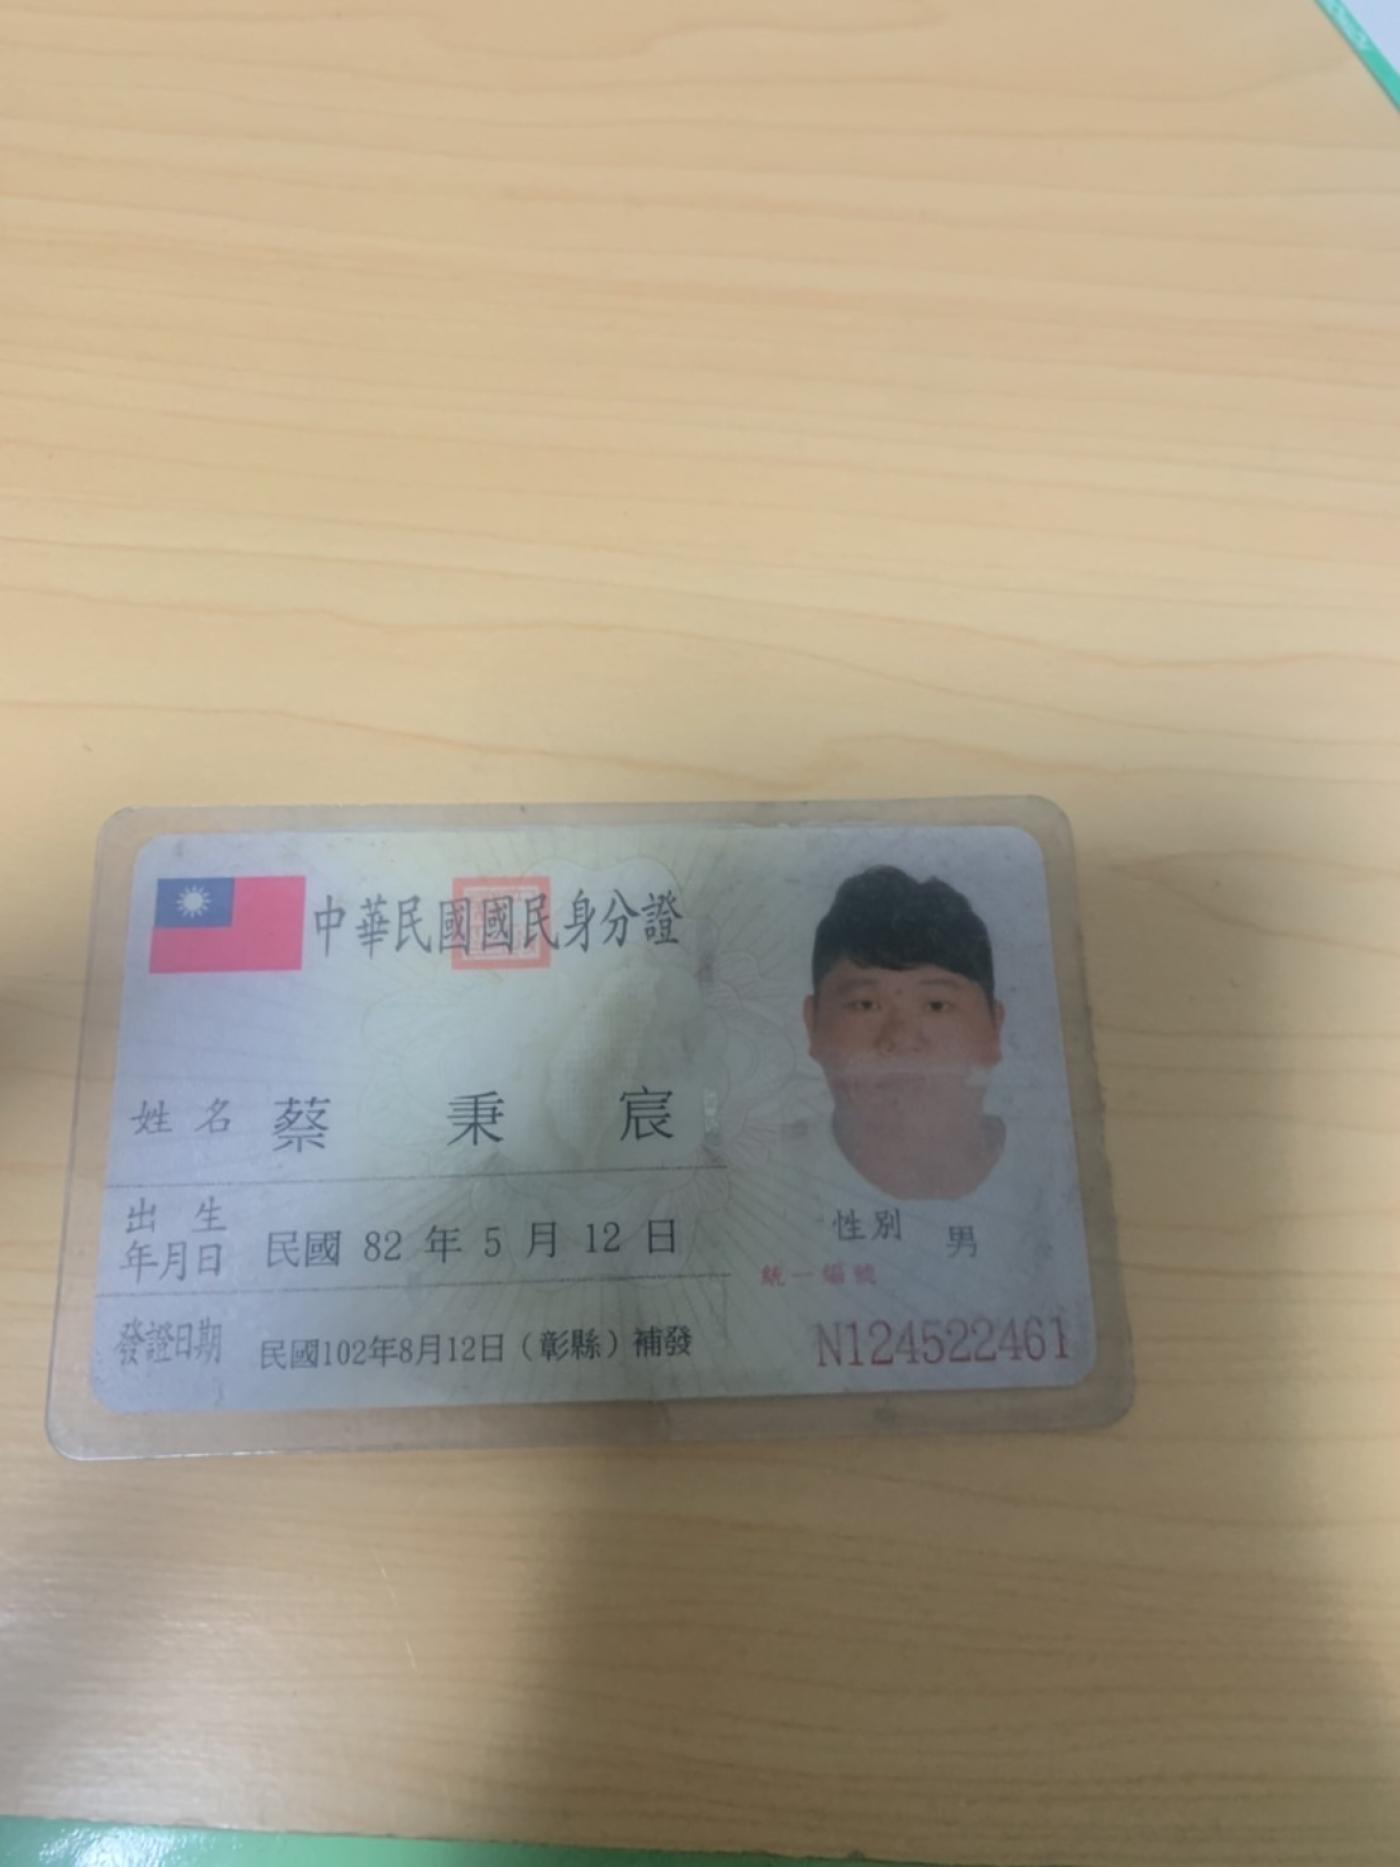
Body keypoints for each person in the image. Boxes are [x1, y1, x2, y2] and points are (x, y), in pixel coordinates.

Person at [802, 865, 1006, 1201]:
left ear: (994, 1028)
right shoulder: (762, 1171)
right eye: (866, 1004)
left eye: (936, 1006)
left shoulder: (1057, 1164)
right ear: (812, 1024)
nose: (901, 1039)